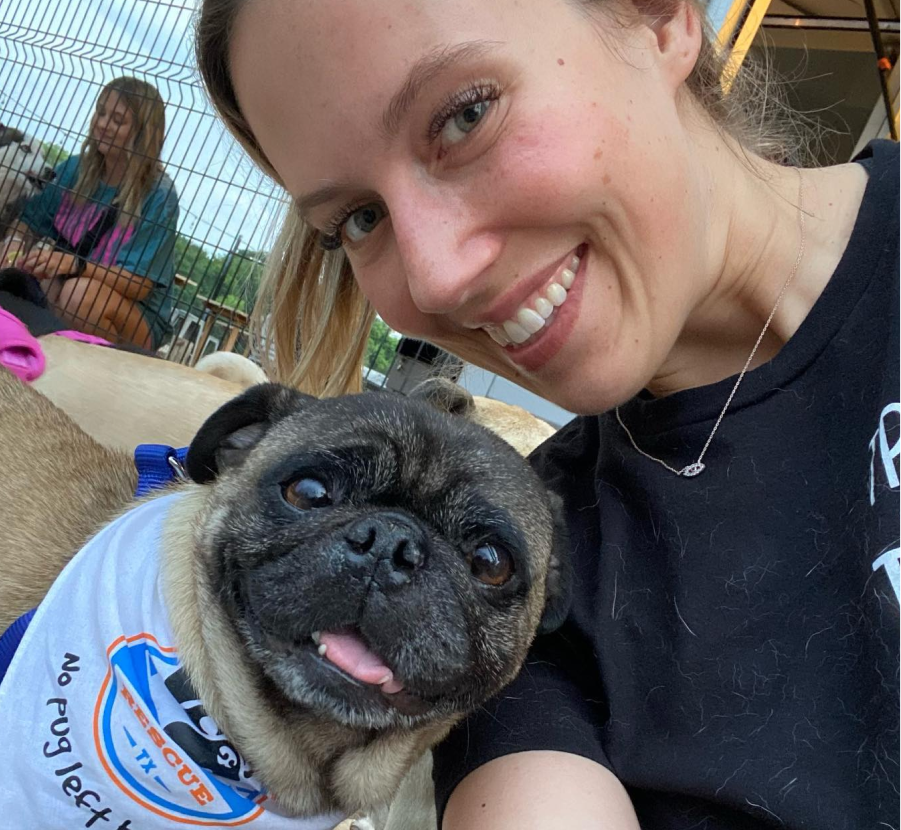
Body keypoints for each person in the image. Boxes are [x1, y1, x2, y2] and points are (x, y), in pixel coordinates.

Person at [194, 0, 901, 826]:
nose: (432, 279)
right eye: (359, 218)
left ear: (664, 18)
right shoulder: (520, 580)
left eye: (465, 116)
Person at [4, 76, 179, 349]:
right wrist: (13, 246)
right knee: (31, 273)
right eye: (101, 112)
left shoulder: (160, 196)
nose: (102, 124)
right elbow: (26, 223)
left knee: (78, 294)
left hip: (136, 313)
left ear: (142, 134)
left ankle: (105, 371)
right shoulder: (75, 169)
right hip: (71, 284)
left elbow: (140, 286)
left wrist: (75, 265)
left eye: (117, 120)